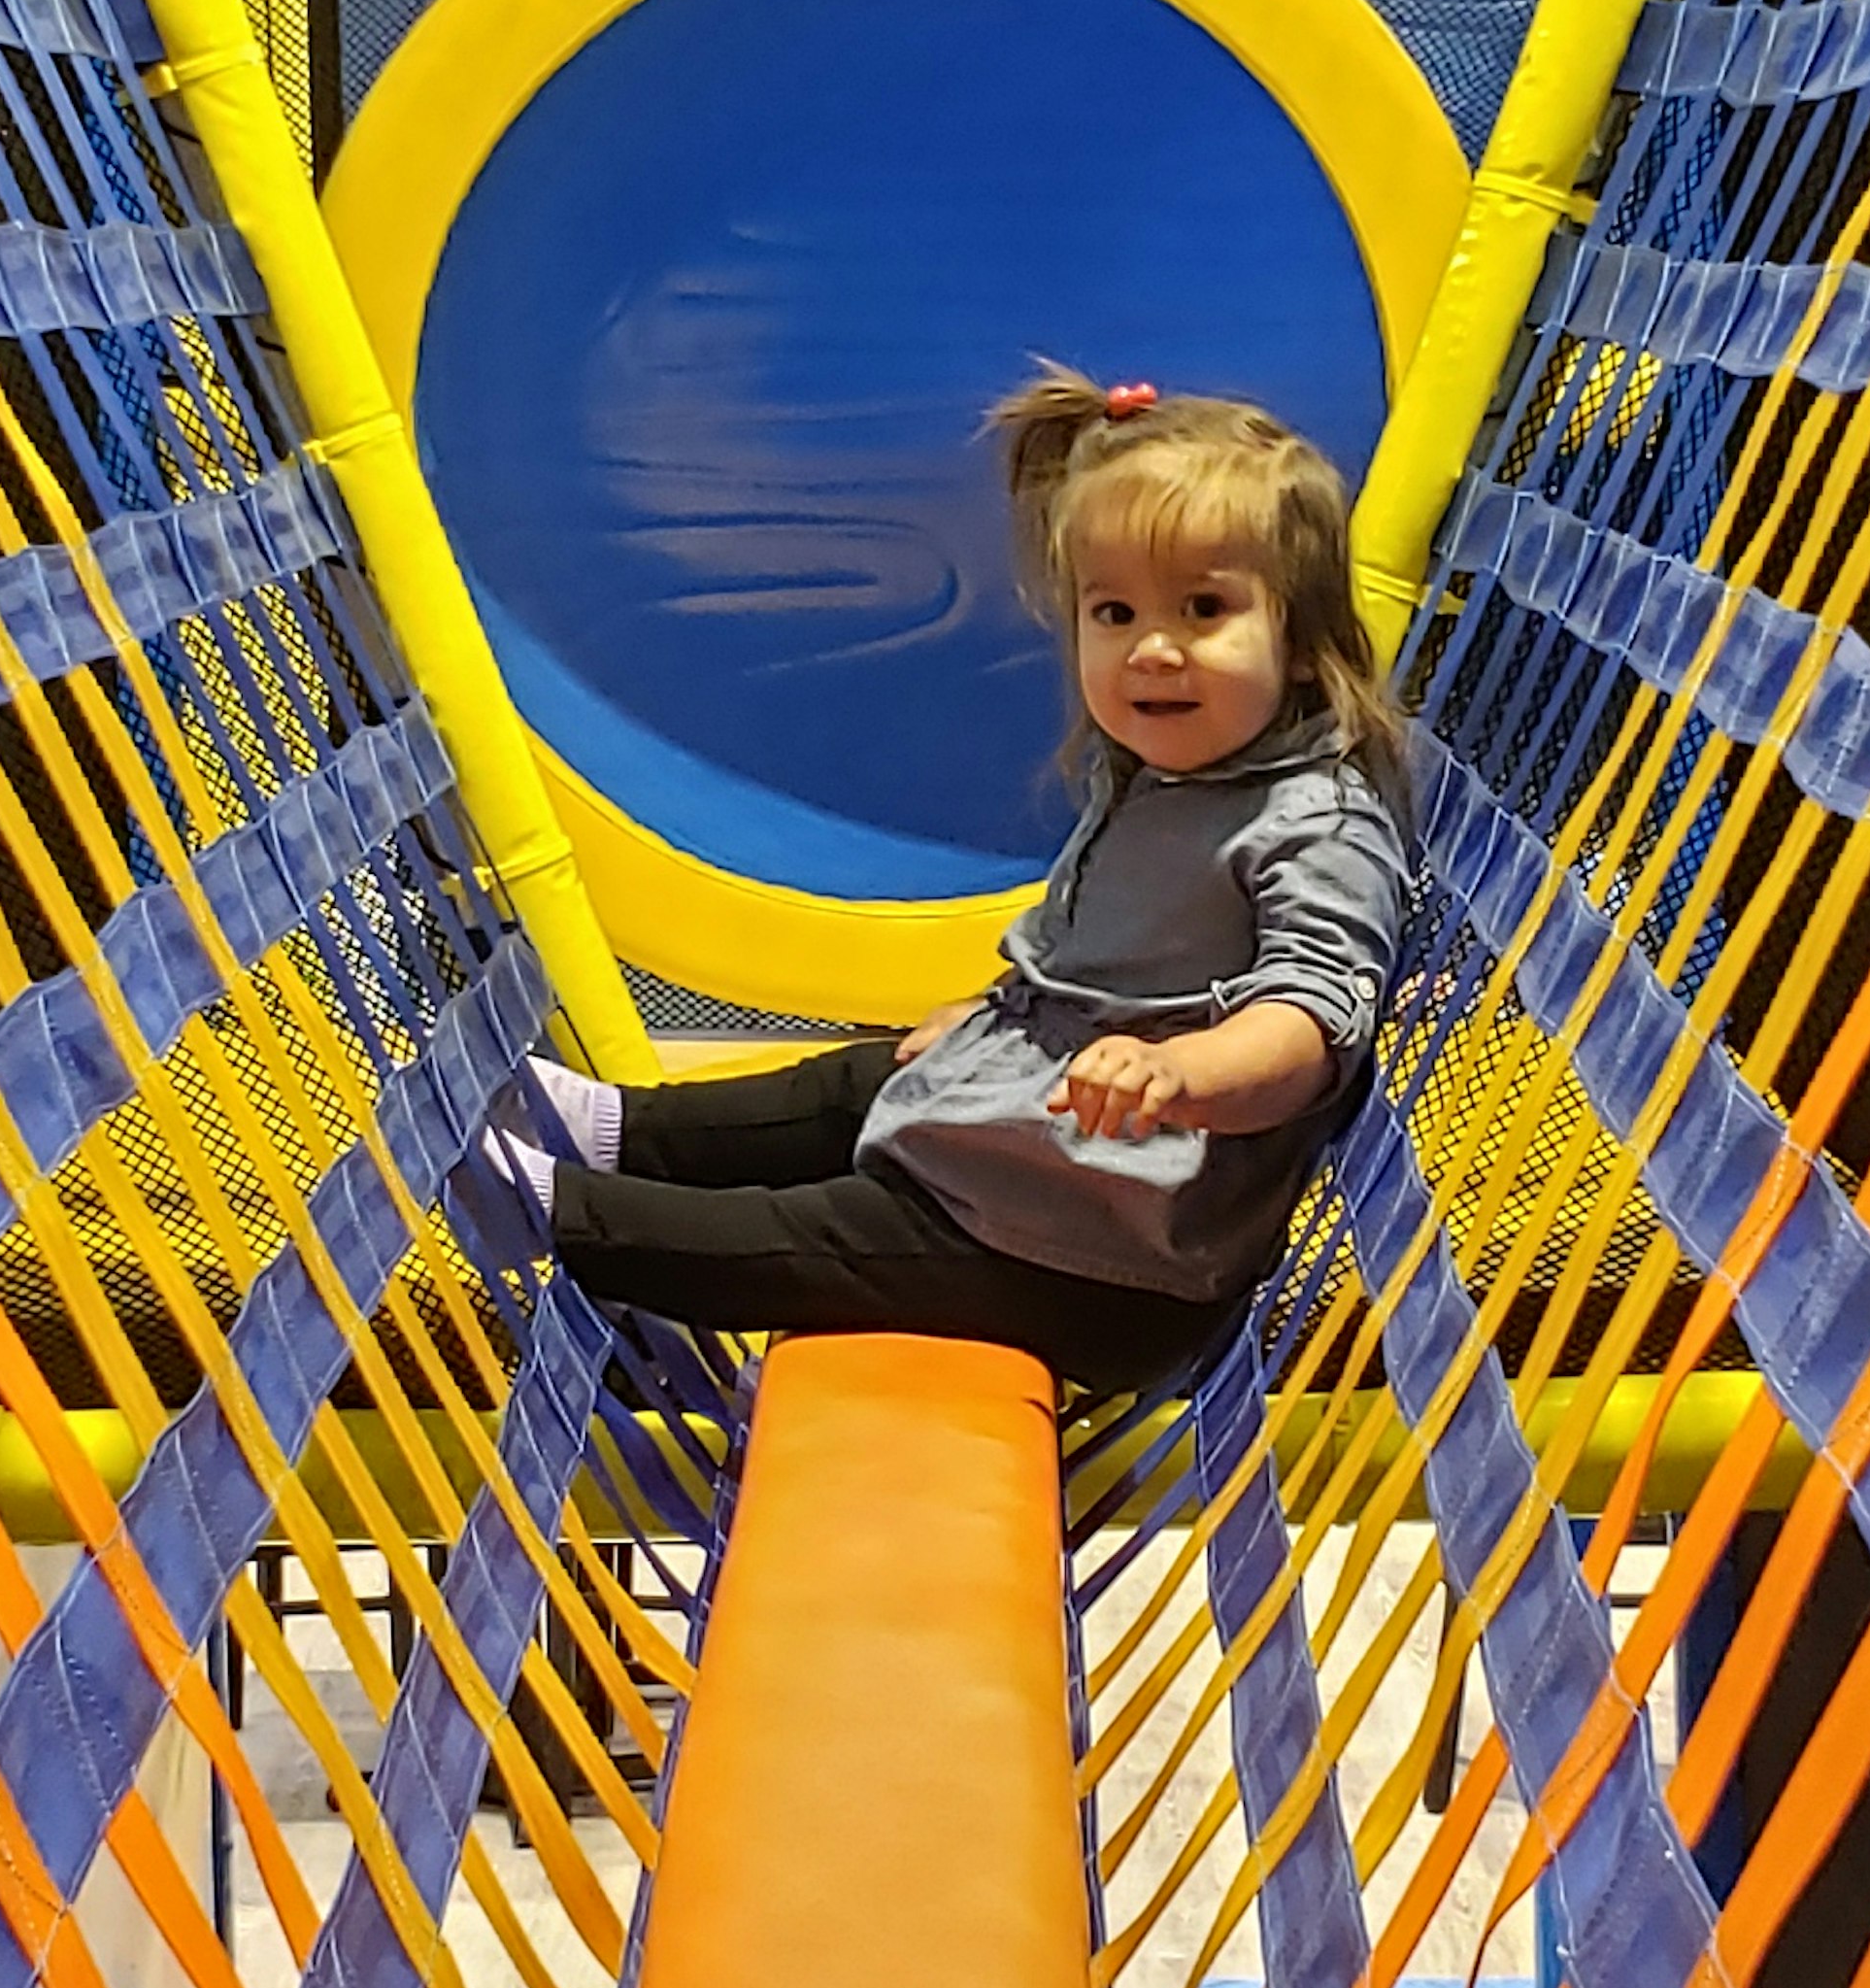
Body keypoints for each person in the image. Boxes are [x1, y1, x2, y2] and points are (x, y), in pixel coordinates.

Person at [452, 368, 1414, 1381]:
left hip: (1105, 1259)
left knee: (830, 1233)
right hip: (1058, 1152)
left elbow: (1311, 1022)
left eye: (1205, 609)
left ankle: (558, 1214)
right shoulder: (1170, 775)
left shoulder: (1316, 824)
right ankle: (613, 1130)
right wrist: (1007, 1018)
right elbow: (1111, 960)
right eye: (1115, 612)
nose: (1153, 651)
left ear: (1304, 643)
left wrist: (1185, 1072)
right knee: (861, 1081)